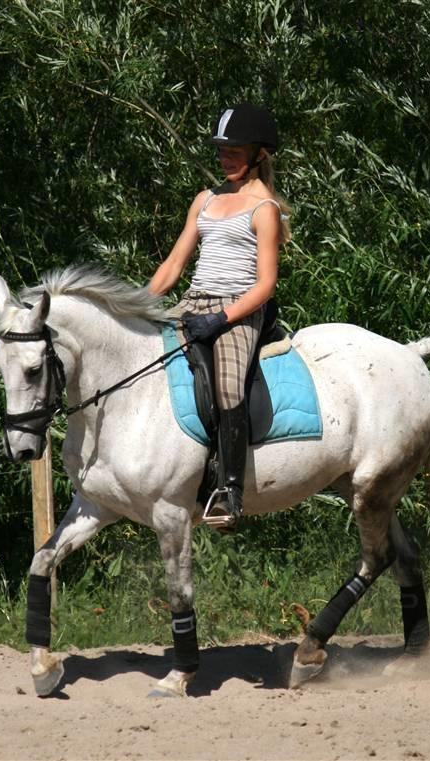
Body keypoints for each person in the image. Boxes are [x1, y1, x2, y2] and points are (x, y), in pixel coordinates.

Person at [147, 102, 290, 530]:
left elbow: (265, 284)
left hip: (239, 307)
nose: (225, 158)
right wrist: (134, 305)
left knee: (228, 388)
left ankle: (229, 490)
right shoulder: (205, 199)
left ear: (258, 155)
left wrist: (223, 318)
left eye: (235, 151)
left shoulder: (265, 209)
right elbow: (174, 265)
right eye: (222, 151)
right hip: (194, 299)